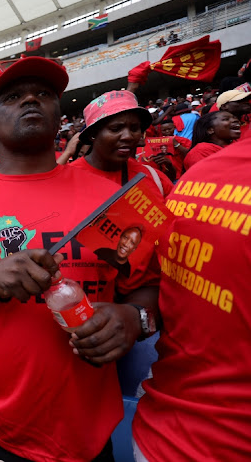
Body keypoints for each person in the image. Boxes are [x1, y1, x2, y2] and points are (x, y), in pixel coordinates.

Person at [0, 56, 160, 462]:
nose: (31, 99)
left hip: (86, 430)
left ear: (59, 115)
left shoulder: (110, 196)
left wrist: (131, 320)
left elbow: (147, 289)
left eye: (44, 94)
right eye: (13, 96)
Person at [132, 135, 251, 462]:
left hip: (161, 433)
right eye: (116, 127)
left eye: (133, 127)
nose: (126, 136)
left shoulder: (185, 178)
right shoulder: (196, 172)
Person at [71, 90, 173, 198]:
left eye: (134, 129)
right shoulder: (66, 181)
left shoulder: (154, 177)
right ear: (93, 134)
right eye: (115, 129)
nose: (128, 136)